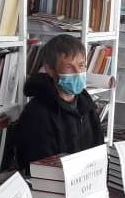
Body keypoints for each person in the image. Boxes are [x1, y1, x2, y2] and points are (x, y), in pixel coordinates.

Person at [14, 34, 104, 167]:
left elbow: (99, 150)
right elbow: (39, 166)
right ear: (50, 70)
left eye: (81, 65)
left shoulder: (86, 105)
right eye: (69, 67)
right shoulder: (37, 113)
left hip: (88, 177)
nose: (77, 72)